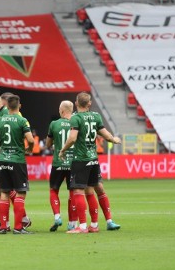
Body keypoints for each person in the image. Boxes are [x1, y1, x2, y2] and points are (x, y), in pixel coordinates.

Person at [59, 92, 121, 234]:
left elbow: (73, 138)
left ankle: (82, 226)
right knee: (92, 189)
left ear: (76, 103)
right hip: (93, 159)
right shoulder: (96, 116)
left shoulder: (76, 118)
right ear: (89, 104)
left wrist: (62, 150)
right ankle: (94, 225)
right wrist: (113, 139)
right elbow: (105, 133)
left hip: (81, 159)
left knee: (78, 190)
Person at [0, 90, 31, 230]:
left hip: (7, 155)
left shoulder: (5, 114)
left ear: (3, 101)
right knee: (3, 188)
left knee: (7, 189)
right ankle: (8, 222)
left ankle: (17, 220)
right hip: (0, 156)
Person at [0, 94, 35, 234]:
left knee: (4, 192)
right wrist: (29, 149)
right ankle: (18, 227)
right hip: (17, 160)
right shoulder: (22, 121)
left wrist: (1, 150)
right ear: (19, 106)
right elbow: (31, 139)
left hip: (3, 160)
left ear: (7, 106)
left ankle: (4, 226)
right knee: (20, 193)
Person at [45, 100, 78, 232]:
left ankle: (57, 216)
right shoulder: (77, 123)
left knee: (54, 190)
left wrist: (55, 144)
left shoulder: (54, 124)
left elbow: (48, 144)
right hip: (73, 163)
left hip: (58, 162)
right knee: (73, 192)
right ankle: (72, 223)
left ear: (62, 110)